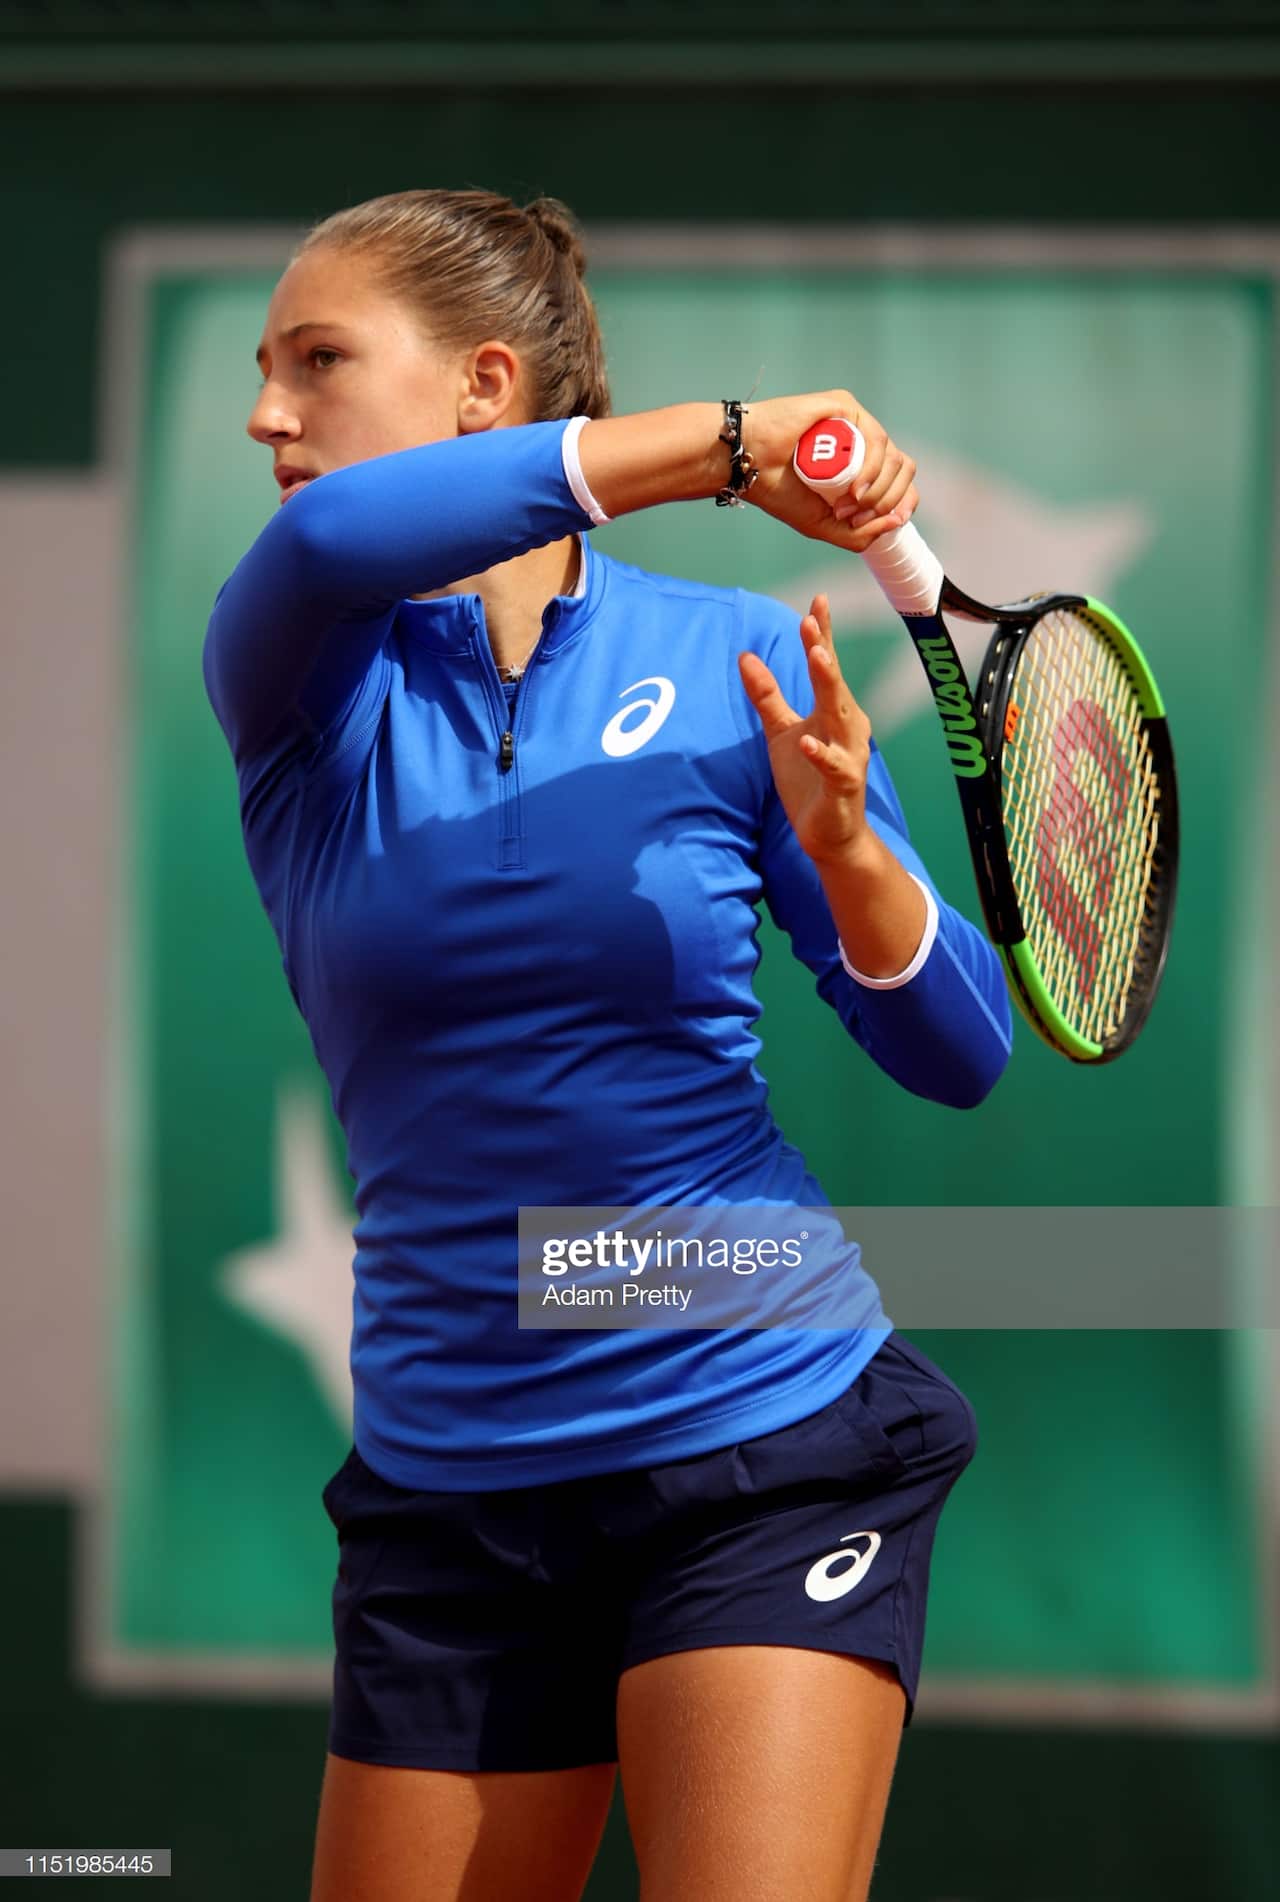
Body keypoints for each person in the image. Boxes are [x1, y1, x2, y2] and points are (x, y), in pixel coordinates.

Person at [205, 188, 1012, 1902]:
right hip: (449, 1488)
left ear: (486, 386)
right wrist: (737, 444)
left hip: (760, 1436)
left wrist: (856, 849)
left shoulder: (730, 659)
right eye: (266, 371)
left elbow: (960, 1051)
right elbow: (338, 548)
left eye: (319, 361)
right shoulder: (296, 661)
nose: (267, 413)